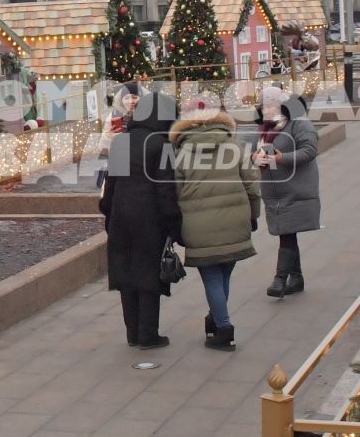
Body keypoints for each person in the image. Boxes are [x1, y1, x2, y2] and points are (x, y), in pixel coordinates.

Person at [170, 97, 260, 350]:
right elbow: (252, 185)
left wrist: (176, 224)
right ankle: (216, 318)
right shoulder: (235, 146)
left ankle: (223, 327)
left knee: (211, 276)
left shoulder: (180, 152)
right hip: (235, 219)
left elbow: (174, 192)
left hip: (197, 224)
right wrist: (253, 216)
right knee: (223, 274)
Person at [99, 82, 179, 349]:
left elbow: (110, 186)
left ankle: (132, 333)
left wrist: (109, 215)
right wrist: (174, 225)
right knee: (147, 277)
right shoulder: (162, 145)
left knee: (126, 276)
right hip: (150, 221)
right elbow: (166, 191)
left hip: (121, 218)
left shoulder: (122, 142)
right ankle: (148, 334)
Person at [254, 85, 320, 298]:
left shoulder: (299, 123)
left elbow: (309, 150)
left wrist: (282, 158)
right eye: (263, 105)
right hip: (275, 191)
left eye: (271, 104)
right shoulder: (266, 128)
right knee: (287, 232)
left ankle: (280, 279)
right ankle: (297, 278)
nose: (266, 109)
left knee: (287, 234)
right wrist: (255, 158)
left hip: (295, 189)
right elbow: (256, 151)